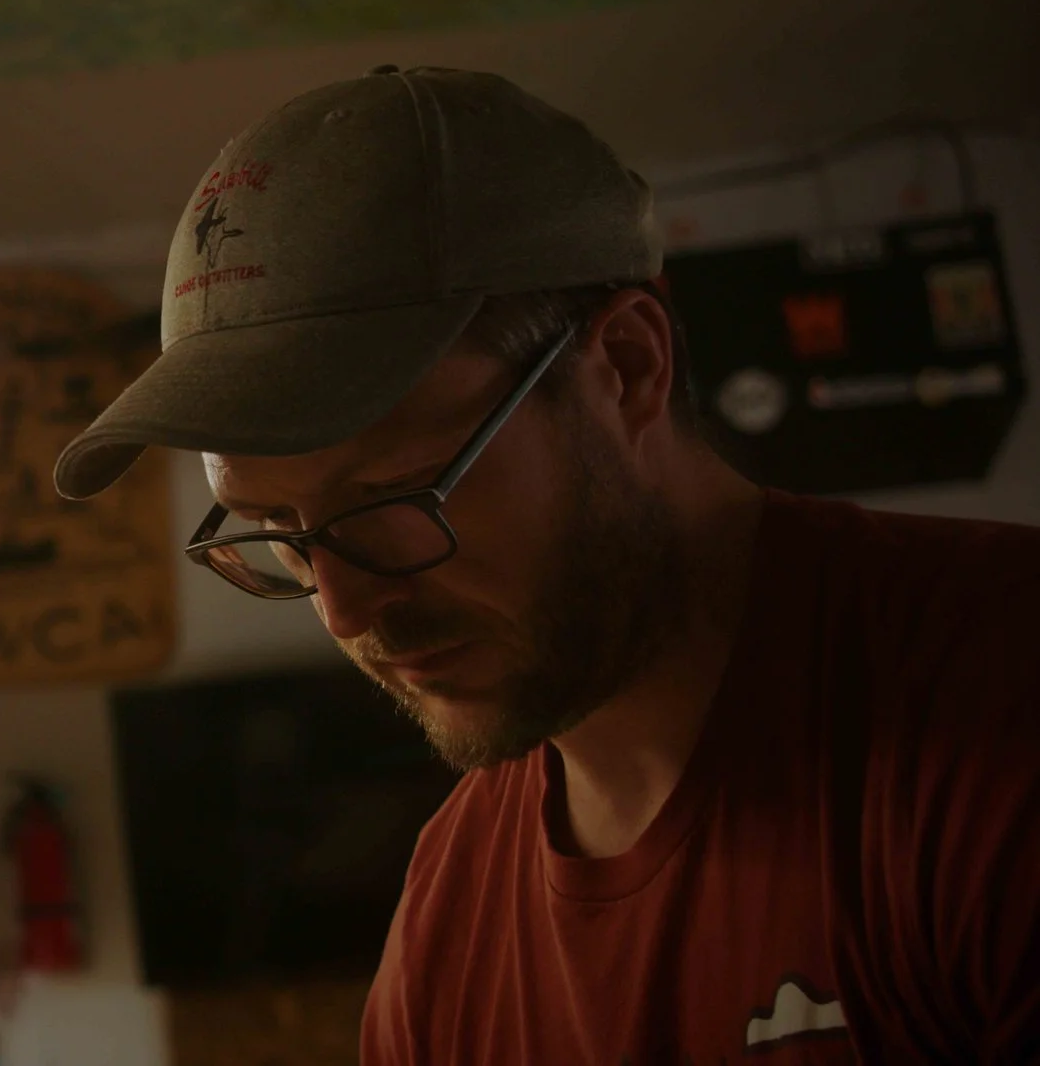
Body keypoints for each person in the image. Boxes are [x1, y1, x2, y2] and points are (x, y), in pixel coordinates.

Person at [52, 66, 1040, 1062]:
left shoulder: (992, 701)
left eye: (391, 496)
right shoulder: (444, 936)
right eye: (276, 528)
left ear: (626, 367)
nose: (343, 608)